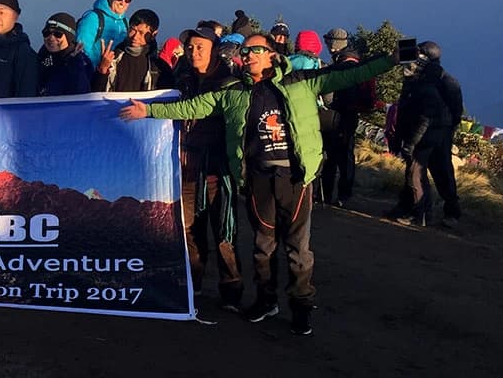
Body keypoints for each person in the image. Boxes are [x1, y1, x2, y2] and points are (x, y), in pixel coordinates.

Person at [120, 32, 396, 336]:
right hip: (257, 178)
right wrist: (149, 110)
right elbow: (192, 107)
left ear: (271, 54)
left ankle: (301, 306)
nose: (248, 56)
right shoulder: (233, 92)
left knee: (297, 248)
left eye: (255, 50)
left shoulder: (302, 82)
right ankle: (266, 301)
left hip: (294, 178)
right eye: (245, 52)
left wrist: (392, 59)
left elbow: (351, 74)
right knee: (263, 246)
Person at [173, 26, 243, 311]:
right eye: (190, 47)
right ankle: (195, 283)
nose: (194, 52)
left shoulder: (228, 82)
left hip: (216, 169)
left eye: (200, 47)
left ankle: (232, 291)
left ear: (214, 49)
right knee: (189, 229)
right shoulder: (183, 79)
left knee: (224, 232)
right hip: (188, 167)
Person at [392, 49, 454, 227]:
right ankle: (421, 212)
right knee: (417, 174)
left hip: (425, 138)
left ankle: (420, 215)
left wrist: (411, 143)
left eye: (412, 64)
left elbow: (424, 119)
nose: (407, 67)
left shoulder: (426, 88)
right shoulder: (422, 84)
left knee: (415, 174)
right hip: (427, 135)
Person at [319, 35, 375, 206]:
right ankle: (344, 195)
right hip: (351, 116)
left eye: (329, 43)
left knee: (330, 155)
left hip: (338, 116)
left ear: (334, 44)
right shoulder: (355, 62)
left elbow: (334, 94)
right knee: (346, 156)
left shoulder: (343, 66)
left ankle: (326, 194)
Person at [421, 41, 463, 227]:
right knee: (421, 171)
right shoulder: (447, 80)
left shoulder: (442, 81)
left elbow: (456, 111)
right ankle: (421, 208)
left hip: (438, 132)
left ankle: (451, 211)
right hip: (438, 130)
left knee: (441, 171)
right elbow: (457, 112)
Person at [92, 9, 172, 93]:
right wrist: (102, 70)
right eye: (132, 30)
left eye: (141, 33)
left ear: (154, 34)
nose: (135, 37)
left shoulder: (160, 68)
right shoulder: (112, 59)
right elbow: (94, 94)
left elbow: (166, 98)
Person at [76, 0, 132, 68]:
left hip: (117, 74)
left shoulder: (126, 23)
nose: (123, 3)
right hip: (94, 72)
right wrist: (97, 68)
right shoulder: (93, 18)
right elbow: (82, 50)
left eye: (128, 0)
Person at [37, 13, 93, 96]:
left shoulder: (82, 62)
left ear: (69, 36)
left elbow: (83, 94)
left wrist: (75, 63)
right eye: (46, 33)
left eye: (58, 34)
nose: (51, 38)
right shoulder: (41, 59)